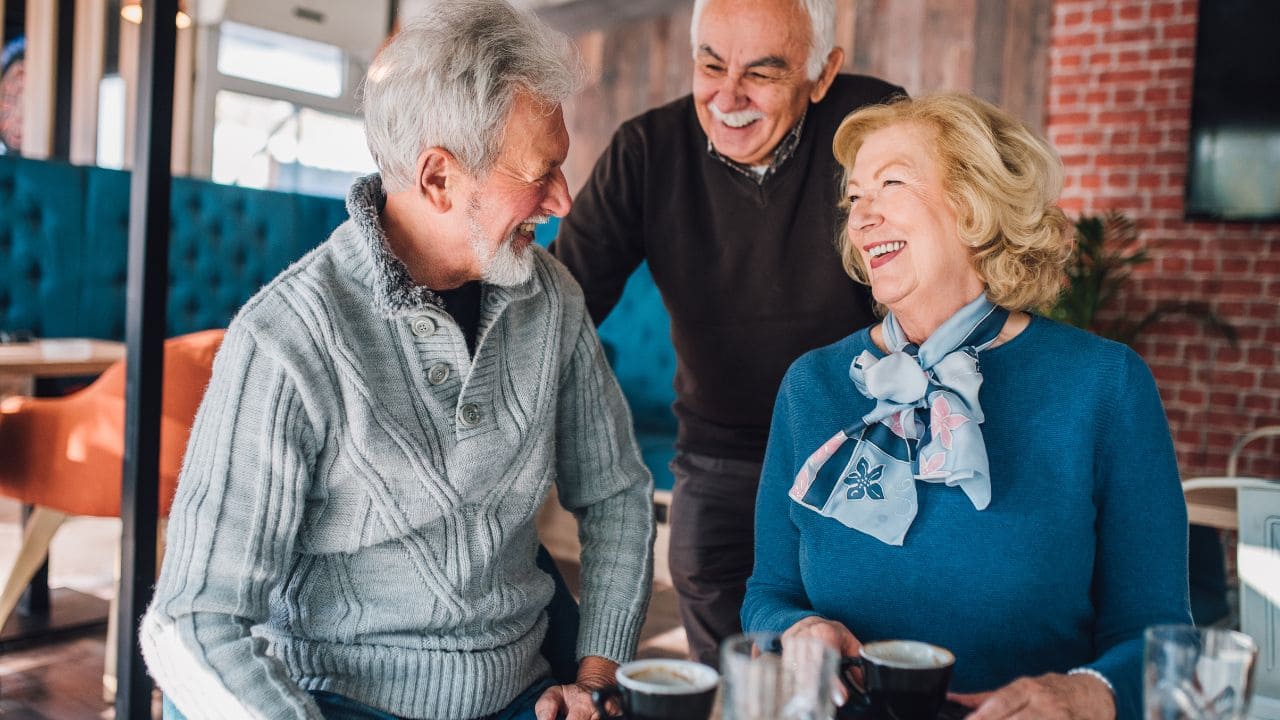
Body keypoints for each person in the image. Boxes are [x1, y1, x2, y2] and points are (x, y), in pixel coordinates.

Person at [139, 2, 655, 719]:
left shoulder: (552, 298)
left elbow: (617, 495)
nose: (563, 198)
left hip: (527, 689)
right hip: (337, 697)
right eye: (543, 172)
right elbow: (192, 622)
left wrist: (596, 680)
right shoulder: (287, 339)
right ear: (438, 178)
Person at [741, 93, 1191, 720]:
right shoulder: (812, 385)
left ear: (975, 202)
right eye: (854, 198)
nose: (861, 216)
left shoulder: (1106, 385)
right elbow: (771, 591)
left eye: (891, 184)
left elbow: (1160, 633)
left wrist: (1088, 692)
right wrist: (798, 629)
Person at [550, 0, 902, 666]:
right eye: (711, 65)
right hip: (718, 451)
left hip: (855, 442)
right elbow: (563, 301)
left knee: (847, 658)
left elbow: (922, 278)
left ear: (821, 74)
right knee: (732, 663)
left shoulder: (875, 128)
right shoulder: (647, 151)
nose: (728, 96)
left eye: (763, 74)